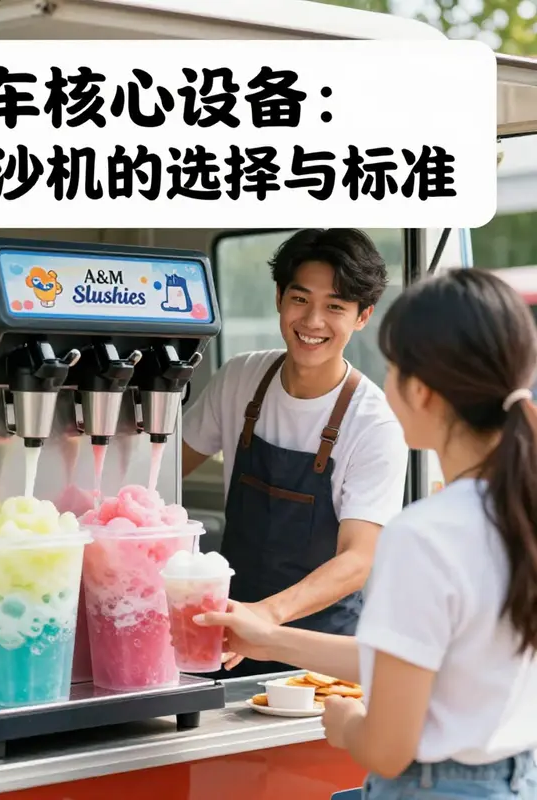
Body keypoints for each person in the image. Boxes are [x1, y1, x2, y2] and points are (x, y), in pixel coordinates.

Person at [195, 268, 537, 798]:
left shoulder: (425, 535)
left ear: (420, 391)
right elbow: (414, 662)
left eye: (394, 366)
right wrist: (265, 633)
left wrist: (348, 721)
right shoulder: (518, 511)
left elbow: (386, 749)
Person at [182, 228, 409, 677]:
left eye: (335, 307)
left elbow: (359, 558)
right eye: (301, 299)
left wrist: (266, 617)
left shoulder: (374, 424)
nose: (313, 322)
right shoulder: (240, 379)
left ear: (362, 317)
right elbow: (162, 471)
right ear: (280, 297)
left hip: (318, 656)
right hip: (228, 635)